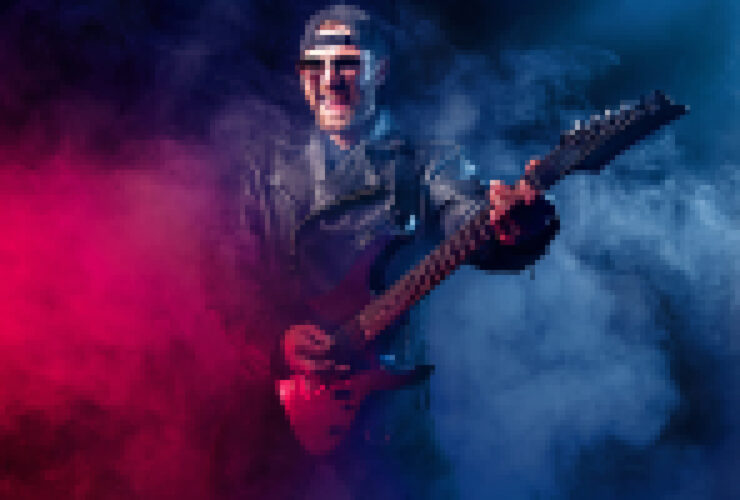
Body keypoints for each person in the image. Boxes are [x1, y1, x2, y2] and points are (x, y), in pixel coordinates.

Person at [236, 4, 559, 499]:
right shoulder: (265, 171)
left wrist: (520, 227)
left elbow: (470, 217)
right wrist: (278, 339)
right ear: (301, 76)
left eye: (348, 63)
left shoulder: (428, 163)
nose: (330, 81)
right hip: (281, 422)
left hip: (391, 430)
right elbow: (231, 285)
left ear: (380, 69)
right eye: (316, 66)